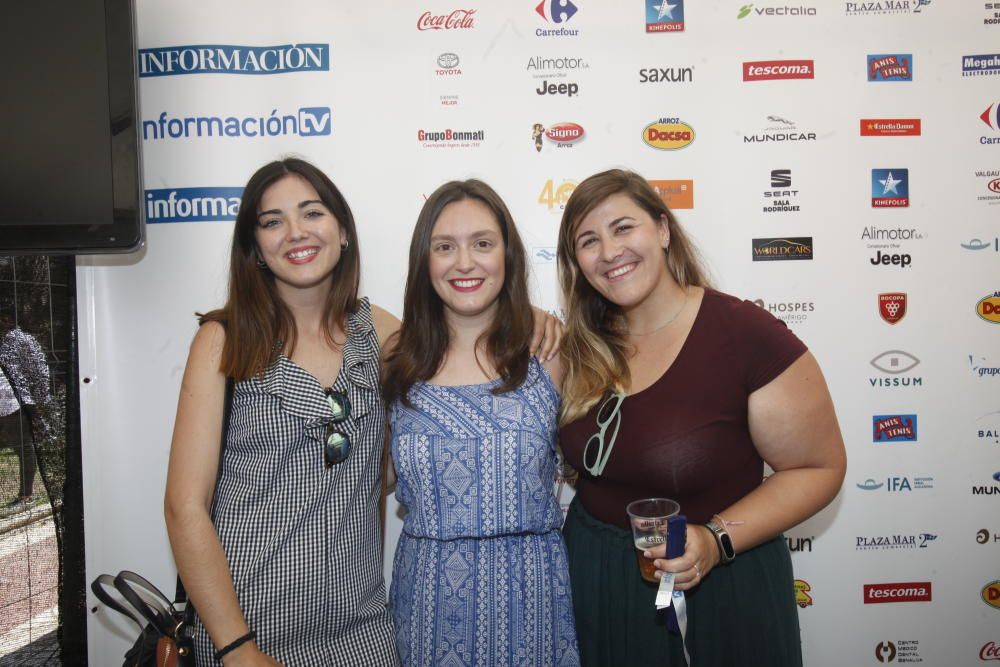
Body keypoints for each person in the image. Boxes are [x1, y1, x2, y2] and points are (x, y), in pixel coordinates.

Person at [164, 159, 560, 665]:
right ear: (254, 246)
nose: (296, 233)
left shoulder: (383, 336)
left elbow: (461, 330)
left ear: (343, 231)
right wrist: (236, 646)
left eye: (312, 213)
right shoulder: (223, 341)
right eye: (272, 221)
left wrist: (532, 319)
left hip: (364, 629)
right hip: (249, 628)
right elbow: (184, 508)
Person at [554, 169, 847, 666]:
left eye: (623, 228)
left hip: (718, 591)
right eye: (588, 240)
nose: (608, 251)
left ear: (663, 230)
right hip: (598, 585)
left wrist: (715, 540)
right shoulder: (579, 345)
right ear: (577, 263)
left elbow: (819, 468)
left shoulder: (743, 333)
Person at [382, 180, 580, 666]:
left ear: (508, 256)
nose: (464, 262)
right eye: (445, 246)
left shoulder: (550, 355)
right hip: (428, 603)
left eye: (483, 244)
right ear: (423, 261)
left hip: (533, 600)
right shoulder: (395, 357)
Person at [0, 311, 50, 510]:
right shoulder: (6, 341)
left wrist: (38, 400)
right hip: (8, 402)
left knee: (24, 447)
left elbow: (39, 371)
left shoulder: (21, 340)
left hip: (14, 403)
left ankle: (26, 497)